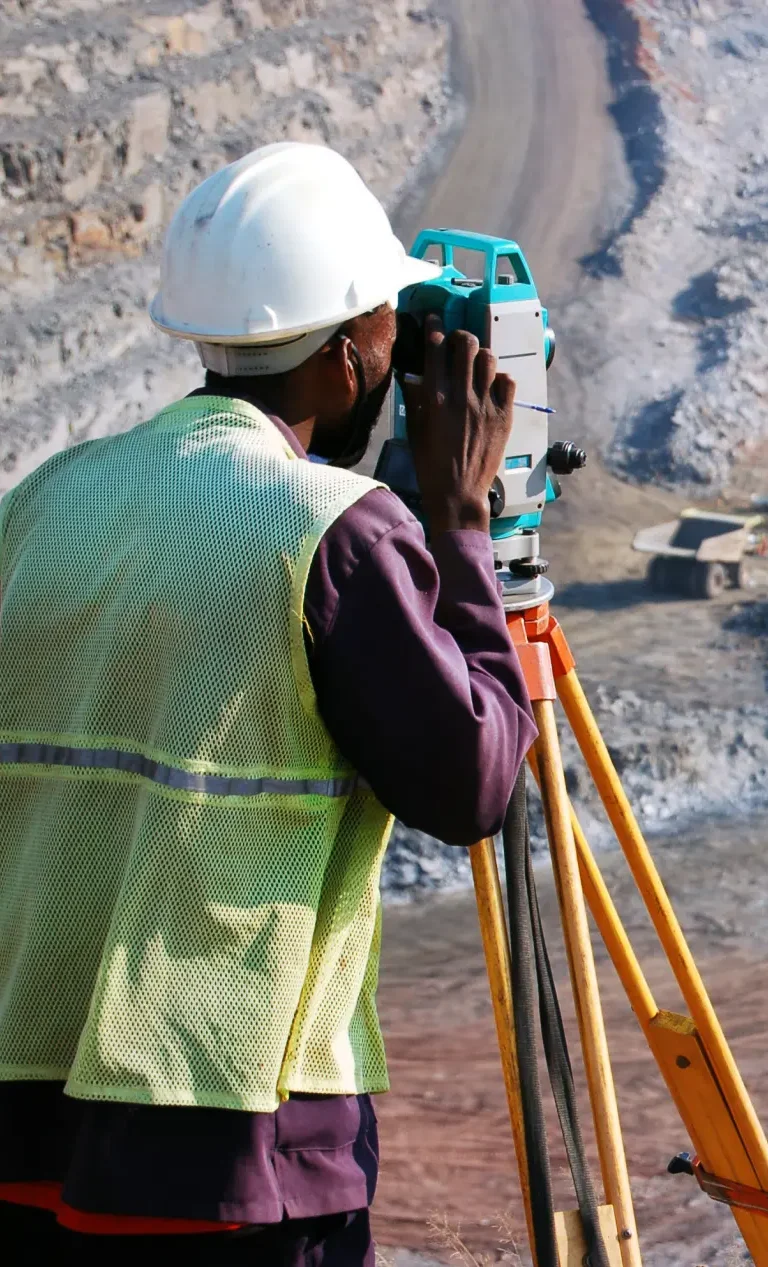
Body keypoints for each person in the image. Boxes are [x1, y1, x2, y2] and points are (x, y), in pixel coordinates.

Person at [0, 142, 537, 1265]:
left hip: (25, 1112)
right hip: (230, 1141)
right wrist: (464, 527)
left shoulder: (47, 499)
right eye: (391, 331)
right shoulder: (335, 530)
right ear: (348, 359)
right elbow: (477, 780)